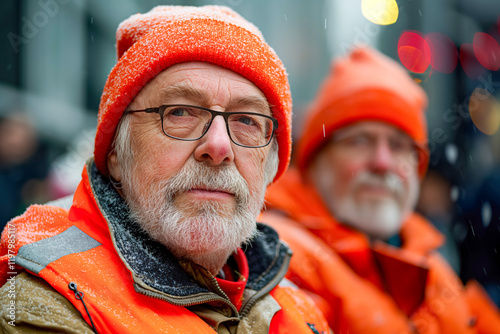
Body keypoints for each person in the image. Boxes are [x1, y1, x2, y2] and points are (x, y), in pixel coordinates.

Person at [0, 6, 330, 334]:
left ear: (270, 166)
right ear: (116, 154)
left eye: (247, 121)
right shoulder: (48, 304)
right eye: (181, 112)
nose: (218, 147)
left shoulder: (297, 305)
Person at [261, 46, 500, 334]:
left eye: (399, 146)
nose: (382, 162)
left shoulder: (431, 265)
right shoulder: (277, 255)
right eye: (359, 141)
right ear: (313, 163)